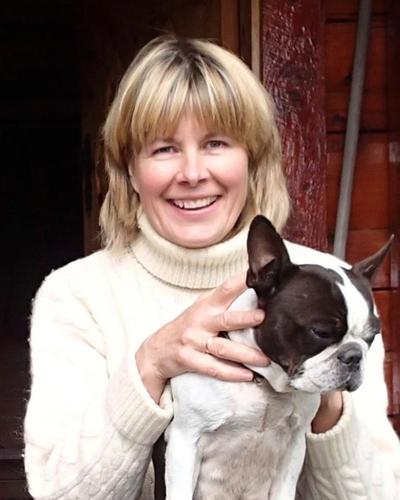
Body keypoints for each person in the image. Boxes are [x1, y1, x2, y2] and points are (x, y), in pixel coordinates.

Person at [24, 36, 400, 499]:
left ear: (253, 160)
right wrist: (149, 367)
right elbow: (58, 494)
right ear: (128, 171)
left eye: (216, 143)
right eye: (164, 148)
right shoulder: (78, 295)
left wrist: (324, 394)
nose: (192, 173)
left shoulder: (339, 289)